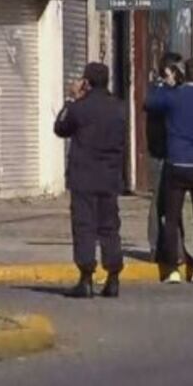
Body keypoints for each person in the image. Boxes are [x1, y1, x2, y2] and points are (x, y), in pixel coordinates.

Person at [145, 58, 193, 284]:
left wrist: (162, 83)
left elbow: (150, 102)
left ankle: (171, 270)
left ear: (184, 75)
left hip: (176, 164)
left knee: (171, 218)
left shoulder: (172, 98)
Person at [54, 62, 127, 299]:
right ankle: (113, 276)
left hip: (84, 177)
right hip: (109, 177)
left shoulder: (79, 108)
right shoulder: (119, 107)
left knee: (84, 226)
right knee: (109, 227)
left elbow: (60, 128)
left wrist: (71, 100)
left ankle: (86, 278)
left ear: (86, 82)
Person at [145, 52, 191, 267]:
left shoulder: (176, 93)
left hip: (175, 154)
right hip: (160, 154)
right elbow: (152, 105)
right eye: (178, 70)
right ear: (168, 71)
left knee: (175, 203)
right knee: (158, 202)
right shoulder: (159, 93)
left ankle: (177, 247)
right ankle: (156, 246)